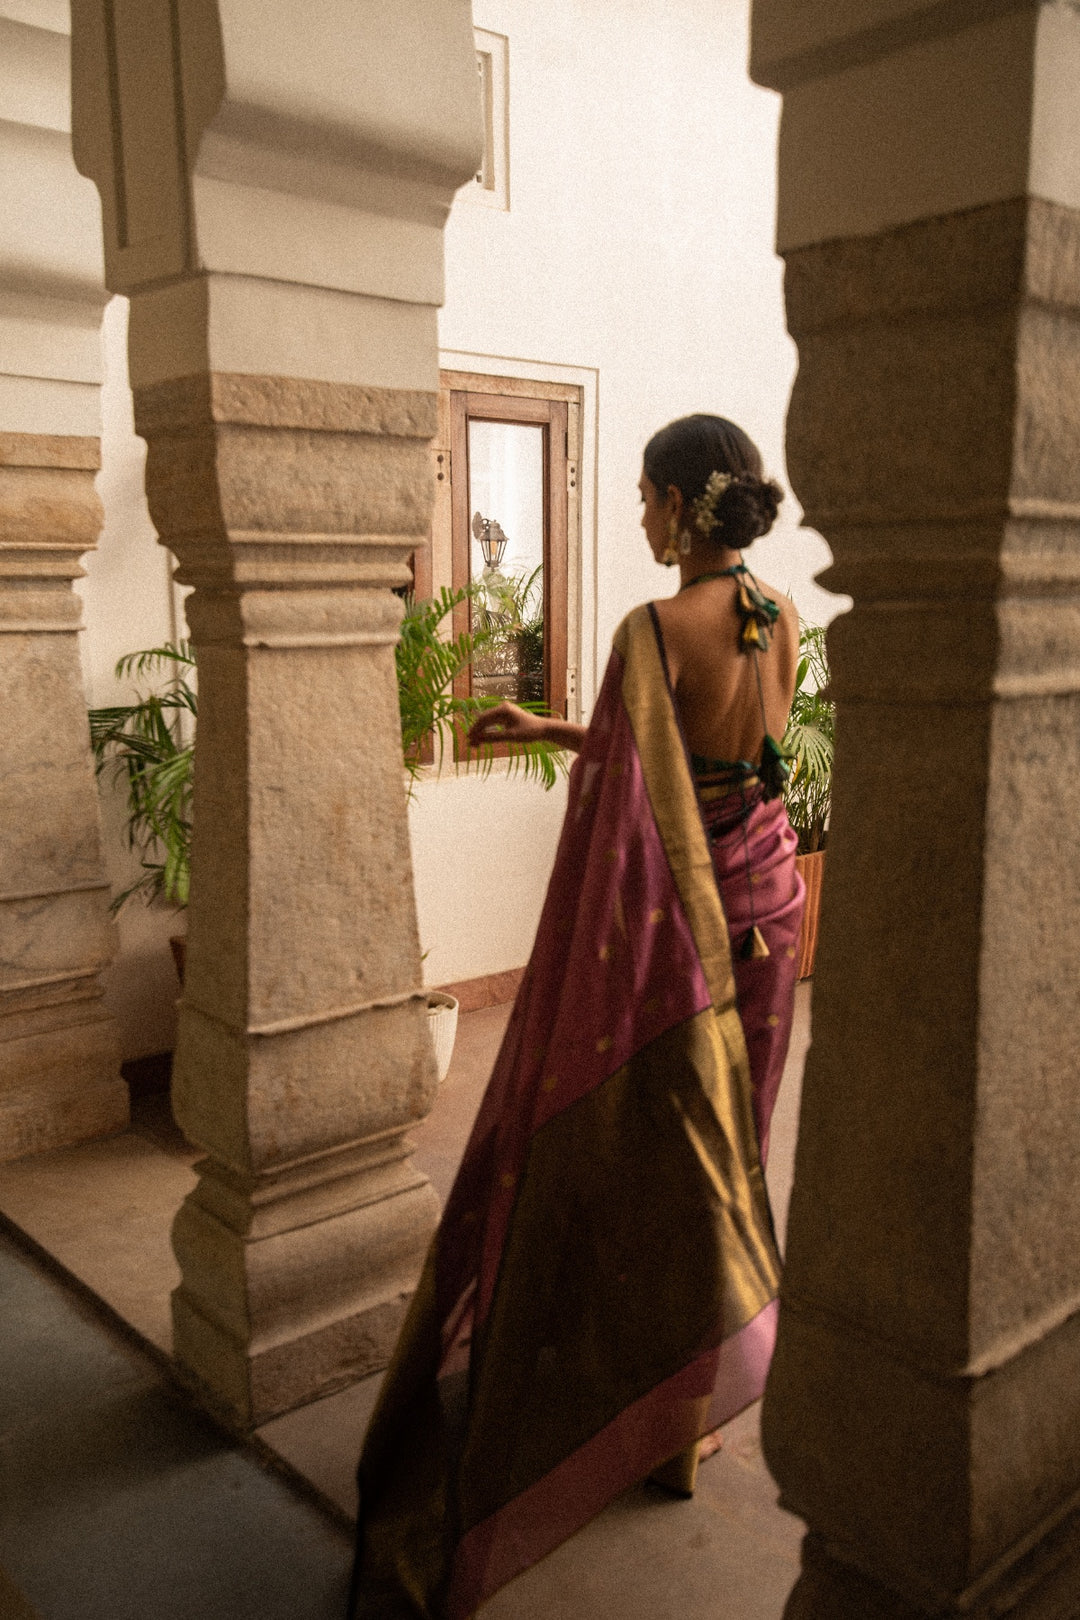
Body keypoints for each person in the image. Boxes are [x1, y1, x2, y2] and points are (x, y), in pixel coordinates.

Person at [348, 415, 805, 1620]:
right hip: (772, 911)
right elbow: (718, 766)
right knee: (730, 1158)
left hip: (687, 939)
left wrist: (578, 750)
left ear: (671, 500)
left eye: (644, 503)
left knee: (639, 1164)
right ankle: (685, 1423)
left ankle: (627, 1409)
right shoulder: (778, 615)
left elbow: (639, 793)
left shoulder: (652, 629)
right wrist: (555, 726)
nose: (640, 523)